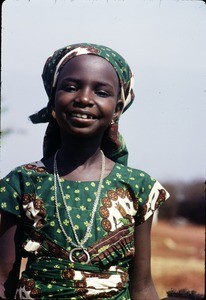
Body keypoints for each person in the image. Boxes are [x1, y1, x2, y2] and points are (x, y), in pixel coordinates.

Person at [0, 43, 170, 299]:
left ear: (117, 108)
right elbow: (3, 280)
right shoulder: (23, 182)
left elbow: (142, 285)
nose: (84, 98)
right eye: (70, 87)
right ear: (53, 100)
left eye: (101, 92)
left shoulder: (138, 187)